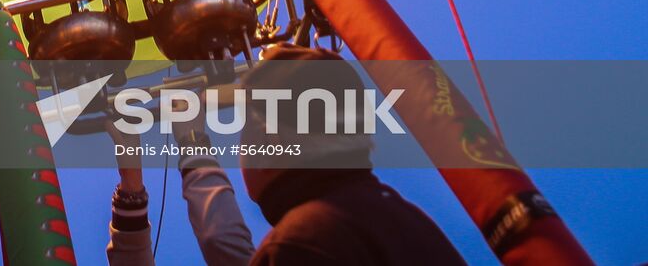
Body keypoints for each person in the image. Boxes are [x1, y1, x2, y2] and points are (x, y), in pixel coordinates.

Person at [106, 45, 466, 265]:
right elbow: (228, 248)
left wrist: (193, 144)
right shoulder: (396, 218)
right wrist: (133, 188)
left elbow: (224, 246)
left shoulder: (306, 242)